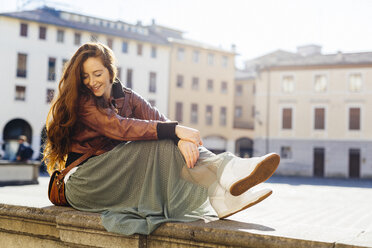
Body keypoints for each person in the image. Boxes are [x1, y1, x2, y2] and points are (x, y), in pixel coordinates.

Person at [43, 42, 280, 236]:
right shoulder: (84, 102)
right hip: (83, 182)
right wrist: (175, 132)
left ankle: (221, 193)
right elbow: (120, 128)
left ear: (110, 70)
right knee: (157, 144)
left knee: (168, 142)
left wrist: (179, 138)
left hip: (115, 175)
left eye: (97, 73)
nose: (92, 81)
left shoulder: (127, 97)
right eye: (85, 76)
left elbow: (159, 120)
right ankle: (227, 172)